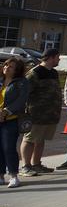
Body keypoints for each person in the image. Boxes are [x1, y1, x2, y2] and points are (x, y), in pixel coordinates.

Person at [20, 48, 62, 176]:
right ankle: (26, 166)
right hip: (36, 114)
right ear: (51, 57)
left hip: (50, 115)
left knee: (41, 140)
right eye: (57, 57)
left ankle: (36, 164)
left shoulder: (54, 72)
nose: (59, 60)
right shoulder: (35, 73)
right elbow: (24, 93)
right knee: (30, 139)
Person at [0, 58, 30, 188]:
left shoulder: (21, 82)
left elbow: (21, 99)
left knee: (8, 148)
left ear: (17, 70)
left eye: (11, 66)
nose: (7, 67)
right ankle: (1, 175)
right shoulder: (1, 81)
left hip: (11, 120)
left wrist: (6, 111)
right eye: (6, 64)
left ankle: (13, 176)